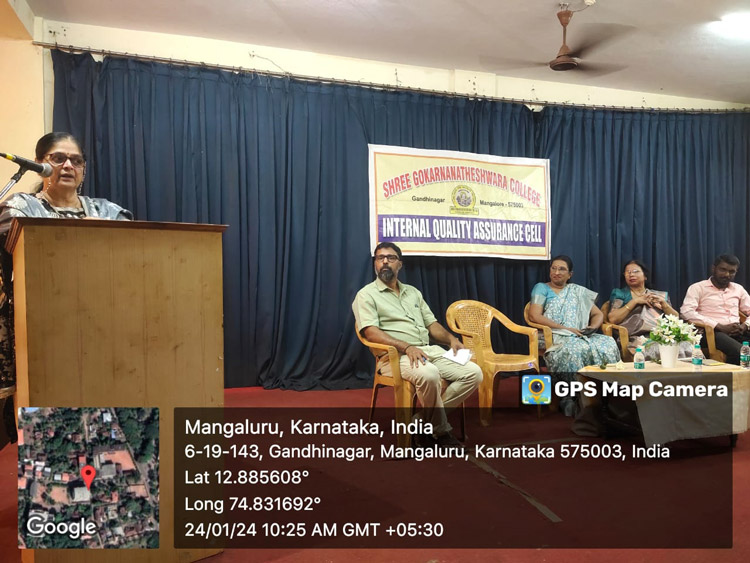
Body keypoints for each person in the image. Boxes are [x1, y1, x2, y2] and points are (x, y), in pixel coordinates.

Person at [0, 132, 133, 392]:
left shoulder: (107, 211)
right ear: (40, 164)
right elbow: (13, 236)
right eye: (59, 158)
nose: (69, 165)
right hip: (40, 328)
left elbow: (133, 248)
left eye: (76, 160)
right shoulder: (21, 207)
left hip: (102, 324)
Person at [352, 242, 482, 448]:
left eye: (390, 258)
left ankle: (420, 422)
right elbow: (370, 332)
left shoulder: (413, 292)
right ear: (375, 264)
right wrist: (406, 347)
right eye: (380, 258)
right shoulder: (366, 295)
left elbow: (432, 325)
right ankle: (442, 431)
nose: (385, 262)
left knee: (474, 373)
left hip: (428, 351)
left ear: (400, 264)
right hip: (394, 356)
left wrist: (451, 339)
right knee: (429, 374)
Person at [527, 255, 620, 416]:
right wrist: (564, 328)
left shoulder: (577, 291)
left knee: (608, 343)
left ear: (570, 274)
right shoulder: (541, 288)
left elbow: (598, 314)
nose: (556, 272)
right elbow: (534, 315)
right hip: (554, 335)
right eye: (553, 268)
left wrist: (592, 327)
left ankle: (606, 395)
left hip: (579, 334)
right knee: (574, 350)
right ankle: (574, 398)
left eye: (562, 269)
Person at [606, 259, 691, 360]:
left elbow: (675, 319)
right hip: (634, 338)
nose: (631, 274)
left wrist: (664, 304)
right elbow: (613, 319)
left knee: (686, 345)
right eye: (627, 272)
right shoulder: (620, 294)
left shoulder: (658, 295)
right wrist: (635, 301)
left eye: (635, 271)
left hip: (660, 335)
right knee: (657, 348)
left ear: (645, 276)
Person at [680, 254, 750, 365]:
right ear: (713, 268)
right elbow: (686, 312)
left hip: (737, 331)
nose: (727, 274)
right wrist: (718, 326)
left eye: (732, 272)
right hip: (711, 332)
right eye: (723, 270)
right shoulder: (698, 288)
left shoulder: (738, 289)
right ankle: (732, 375)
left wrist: (744, 326)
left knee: (743, 350)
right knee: (741, 352)